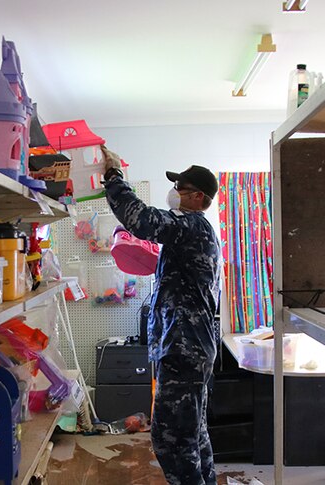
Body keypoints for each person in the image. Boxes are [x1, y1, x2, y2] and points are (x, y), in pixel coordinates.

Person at [101, 145, 221, 485]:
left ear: (198, 197)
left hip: (184, 350)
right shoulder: (197, 231)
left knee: (171, 441)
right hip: (190, 349)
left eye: (180, 189)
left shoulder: (191, 225)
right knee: (193, 436)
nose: (174, 193)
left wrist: (113, 177)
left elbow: (141, 219)